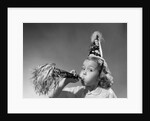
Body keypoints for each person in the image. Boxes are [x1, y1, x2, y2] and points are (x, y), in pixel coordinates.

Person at [48, 31, 117, 98]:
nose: (84, 72)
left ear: (100, 76)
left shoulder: (108, 94)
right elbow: (51, 96)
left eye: (90, 70)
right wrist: (66, 81)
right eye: (83, 68)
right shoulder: (79, 91)